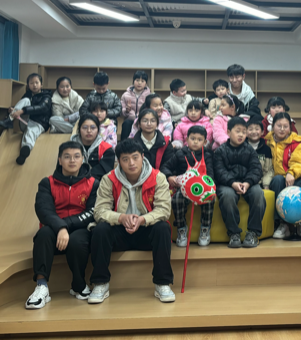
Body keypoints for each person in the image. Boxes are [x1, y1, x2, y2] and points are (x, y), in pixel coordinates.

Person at [89, 139, 174, 304]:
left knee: (163, 228)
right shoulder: (109, 179)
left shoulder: (158, 177)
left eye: (135, 157)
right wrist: (120, 217)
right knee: (100, 229)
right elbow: (99, 211)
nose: (131, 163)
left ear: (143, 156)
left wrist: (142, 219)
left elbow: (163, 210)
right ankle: (100, 283)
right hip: (120, 231)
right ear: (119, 161)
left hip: (145, 230)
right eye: (125, 159)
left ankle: (162, 283)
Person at [26, 141, 98, 309]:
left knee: (77, 241)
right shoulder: (47, 183)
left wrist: (65, 226)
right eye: (67, 157)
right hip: (53, 229)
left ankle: (79, 284)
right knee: (43, 235)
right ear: (59, 160)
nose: (72, 160)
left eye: (76, 156)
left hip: (80, 228)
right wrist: (60, 227)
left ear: (83, 159)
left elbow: (93, 212)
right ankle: (41, 287)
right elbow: (44, 210)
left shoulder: (93, 183)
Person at [214, 118, 266, 248]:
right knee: (227, 196)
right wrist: (232, 183)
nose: (241, 134)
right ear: (228, 132)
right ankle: (234, 233)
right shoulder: (220, 151)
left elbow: (256, 169)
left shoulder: (250, 150)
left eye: (244, 131)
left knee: (258, 193)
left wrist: (248, 183)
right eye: (238, 131)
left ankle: (253, 233)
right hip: (227, 184)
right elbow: (219, 171)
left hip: (247, 183)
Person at [161, 126, 215, 247]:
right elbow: (165, 167)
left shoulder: (208, 155)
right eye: (192, 138)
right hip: (184, 188)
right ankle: (181, 228)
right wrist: (170, 176)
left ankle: (205, 228)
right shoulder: (180, 153)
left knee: (210, 198)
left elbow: (211, 174)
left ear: (205, 142)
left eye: (199, 139)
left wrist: (207, 184)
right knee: (177, 199)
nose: (195, 142)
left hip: (203, 188)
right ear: (186, 139)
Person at [266, 112, 301, 239]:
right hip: (276, 179)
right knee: (278, 180)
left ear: (290, 128)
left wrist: (291, 172)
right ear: (272, 126)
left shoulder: (296, 143)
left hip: (294, 176)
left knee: (300, 183)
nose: (282, 129)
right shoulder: (267, 142)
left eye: (285, 126)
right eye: (278, 126)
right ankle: (282, 224)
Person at [0, 73, 52, 165]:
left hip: (40, 123)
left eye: (36, 82)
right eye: (31, 83)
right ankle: (9, 120)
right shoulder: (27, 95)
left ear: (41, 84)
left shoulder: (46, 96)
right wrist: (13, 109)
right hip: (25, 121)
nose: (34, 85)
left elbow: (42, 107)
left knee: (30, 132)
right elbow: (22, 106)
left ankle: (25, 150)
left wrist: (23, 111)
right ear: (28, 85)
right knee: (25, 100)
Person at [70, 114, 115, 181]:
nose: (89, 131)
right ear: (79, 129)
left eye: (93, 128)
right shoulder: (68, 148)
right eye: (85, 127)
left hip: (96, 184)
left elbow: (104, 171)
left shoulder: (106, 149)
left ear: (98, 130)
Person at [121, 70, 151, 140]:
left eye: (142, 81)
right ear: (133, 81)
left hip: (143, 120)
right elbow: (121, 112)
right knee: (126, 123)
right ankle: (124, 144)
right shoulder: (125, 95)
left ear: (146, 83)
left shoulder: (149, 96)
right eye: (137, 80)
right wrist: (126, 110)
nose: (139, 83)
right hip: (130, 120)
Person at [246, 119, 273, 189]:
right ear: (246, 132)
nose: (254, 132)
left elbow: (269, 171)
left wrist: (266, 184)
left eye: (257, 129)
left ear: (262, 132)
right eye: (250, 129)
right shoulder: (242, 148)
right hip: (244, 182)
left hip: (261, 184)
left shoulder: (267, 149)